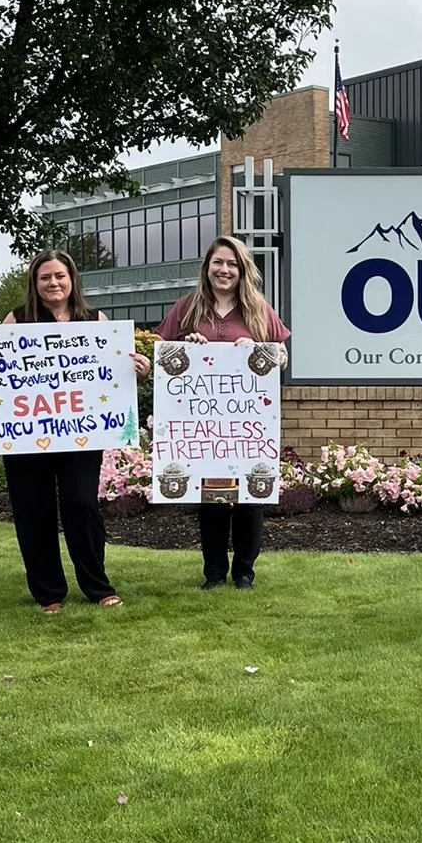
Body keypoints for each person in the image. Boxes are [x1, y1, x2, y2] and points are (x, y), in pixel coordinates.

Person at [0, 251, 151, 614]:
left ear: (72, 279)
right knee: (33, 510)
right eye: (45, 277)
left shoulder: (95, 320)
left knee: (81, 505)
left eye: (60, 276)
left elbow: (116, 371)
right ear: (35, 282)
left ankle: (97, 585)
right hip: (26, 434)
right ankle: (48, 593)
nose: (53, 283)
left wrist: (138, 367)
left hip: (81, 433)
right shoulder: (18, 318)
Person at [153, 235, 289, 590]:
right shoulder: (187, 307)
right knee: (211, 499)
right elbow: (161, 351)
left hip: (248, 423)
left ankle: (244, 571)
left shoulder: (259, 309)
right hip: (202, 425)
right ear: (207, 268)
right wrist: (184, 344)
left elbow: (283, 358)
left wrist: (259, 348)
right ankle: (213, 572)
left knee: (249, 500)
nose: (224, 270)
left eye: (231, 264)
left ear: (242, 270)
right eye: (218, 263)